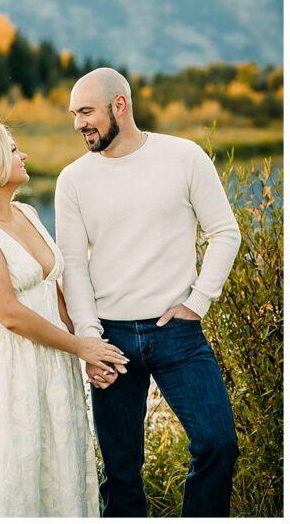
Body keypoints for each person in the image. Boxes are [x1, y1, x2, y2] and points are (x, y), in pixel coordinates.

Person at [56, 68, 242, 517]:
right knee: (121, 474)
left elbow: (225, 232)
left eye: (86, 111)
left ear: (120, 105)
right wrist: (89, 339)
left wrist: (196, 303)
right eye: (74, 114)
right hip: (111, 338)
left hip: (176, 333)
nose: (79, 123)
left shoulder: (184, 157)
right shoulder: (73, 179)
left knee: (219, 444)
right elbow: (73, 265)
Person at [0, 121, 127, 517]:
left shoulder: (27, 213)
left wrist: (86, 348)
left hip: (51, 362)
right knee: (10, 474)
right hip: (4, 366)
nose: (24, 155)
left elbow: (55, 289)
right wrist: (79, 346)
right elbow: (11, 315)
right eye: (14, 149)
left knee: (54, 466)